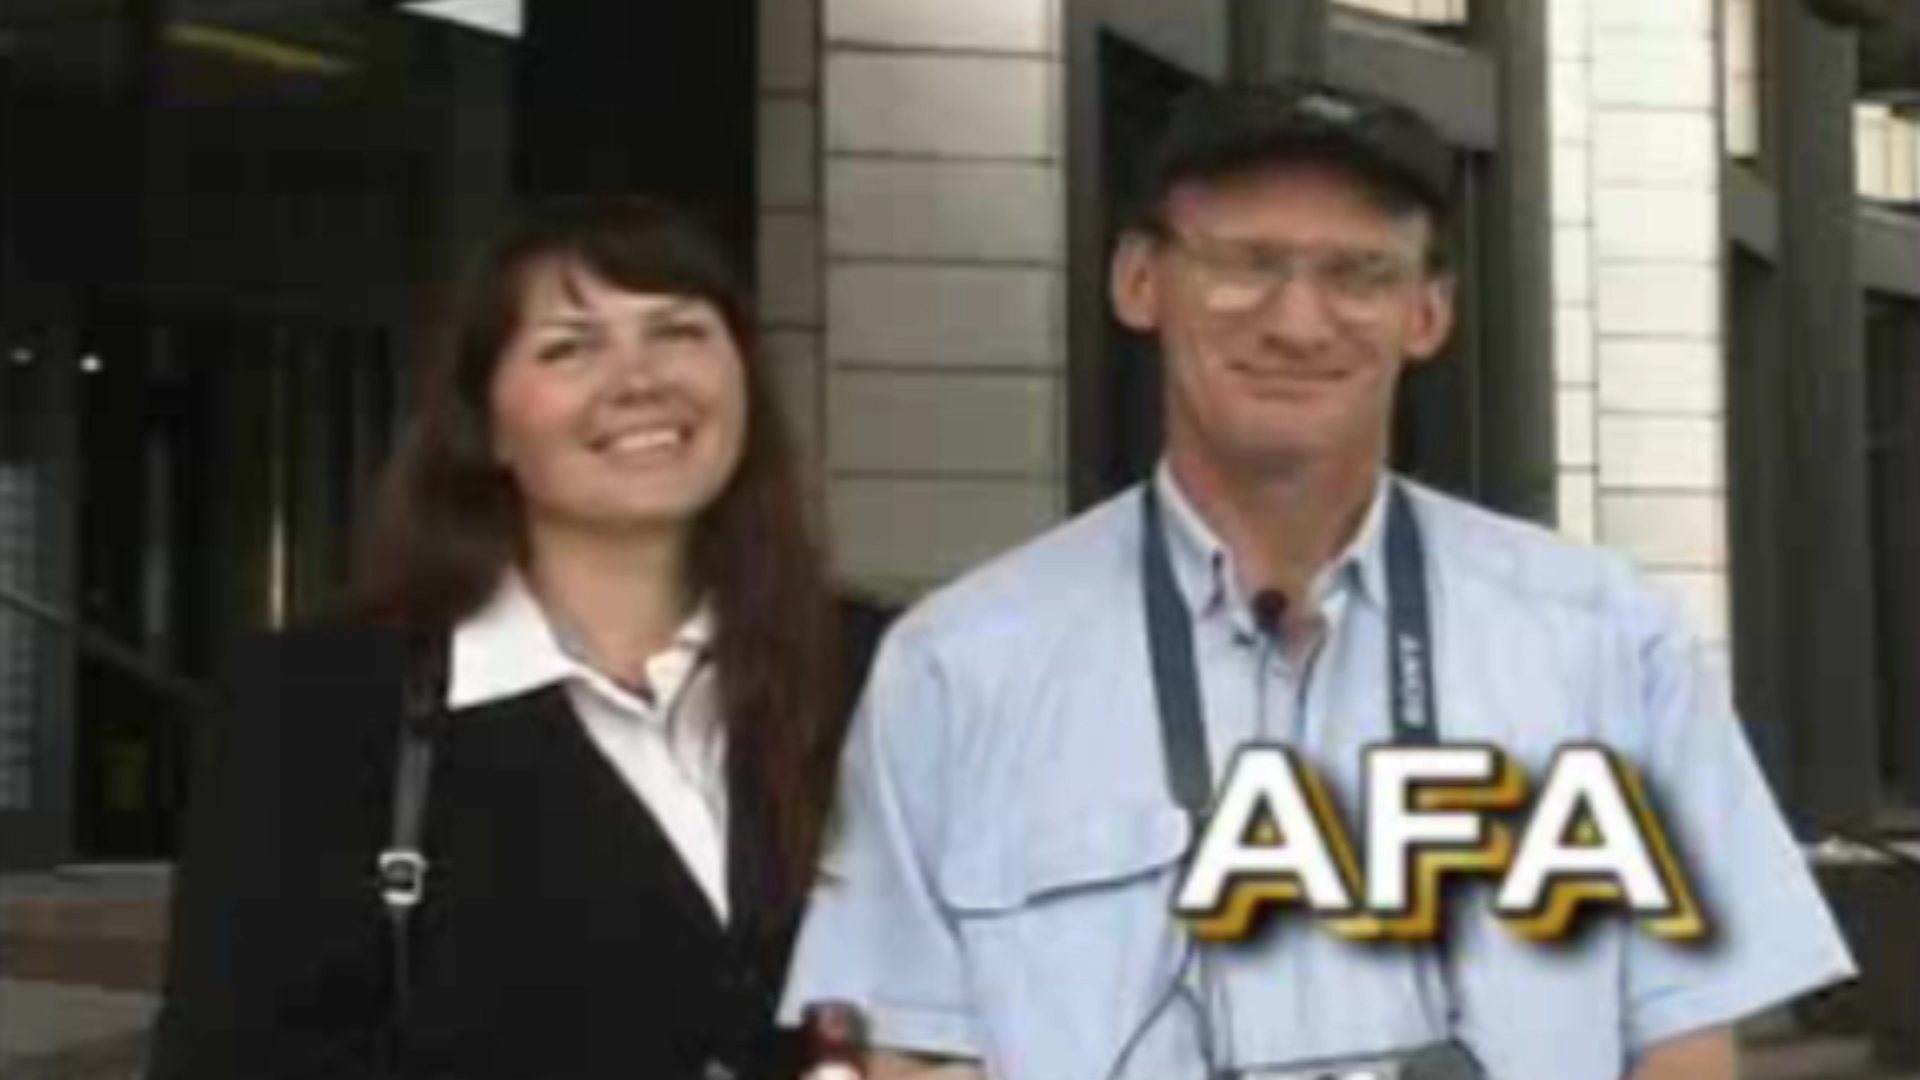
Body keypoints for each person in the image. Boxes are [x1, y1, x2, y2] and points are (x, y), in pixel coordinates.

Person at [778, 81, 1856, 1080]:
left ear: (1428, 313)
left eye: (1360, 274)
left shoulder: (1608, 641)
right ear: (1139, 281)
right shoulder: (960, 666)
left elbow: (1684, 1041)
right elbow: (902, 1050)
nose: (1298, 322)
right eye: (1246, 262)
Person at [148, 196, 886, 1080]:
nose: (640, 379)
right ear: (486, 423)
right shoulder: (315, 706)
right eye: (570, 347)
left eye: (678, 331)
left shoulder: (888, 673)